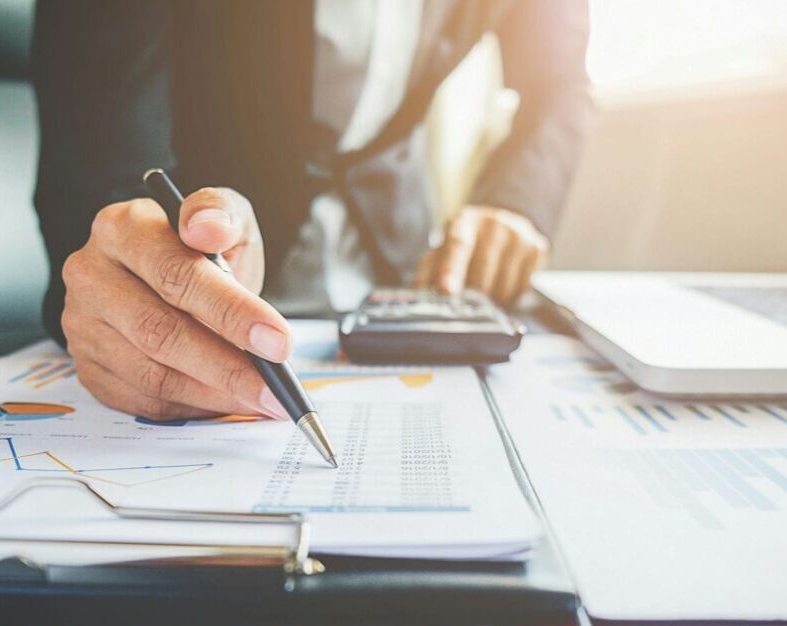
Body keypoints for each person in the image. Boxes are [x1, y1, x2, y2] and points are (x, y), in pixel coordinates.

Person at [32, 0, 589, 421]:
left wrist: (518, 204)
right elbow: (98, 141)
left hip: (403, 276)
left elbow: (559, 81)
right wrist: (124, 276)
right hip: (214, 273)